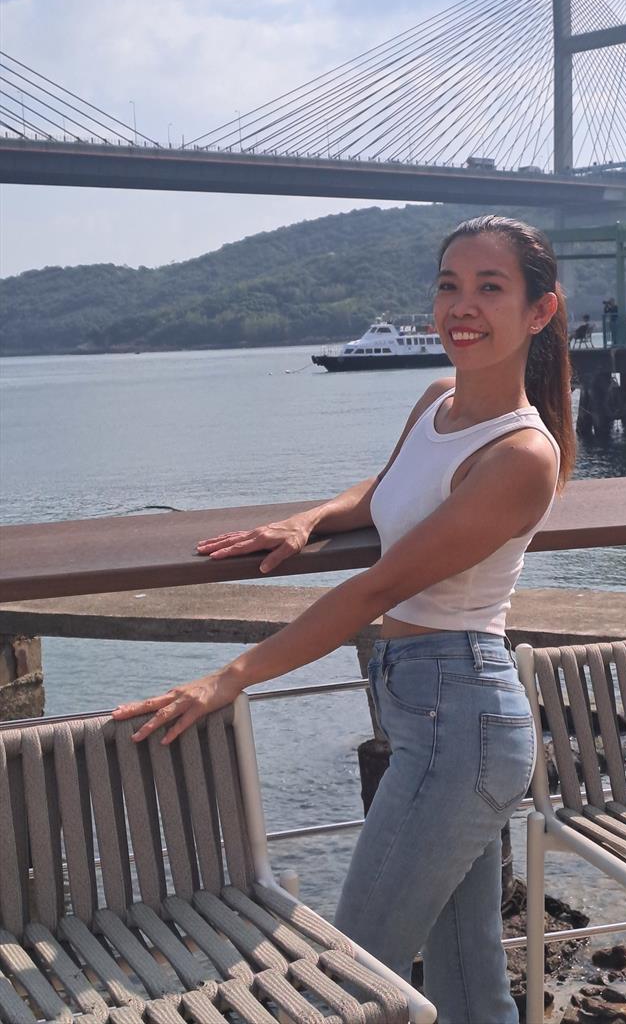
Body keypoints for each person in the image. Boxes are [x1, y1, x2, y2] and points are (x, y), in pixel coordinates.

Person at [112, 215, 576, 1024]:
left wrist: (230, 678)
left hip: (461, 718)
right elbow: (387, 486)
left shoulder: (520, 456)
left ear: (539, 311)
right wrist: (310, 519)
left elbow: (373, 591)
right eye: (448, 286)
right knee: (470, 989)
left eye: (489, 288)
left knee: (348, 978)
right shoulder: (437, 402)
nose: (461, 307)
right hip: (433, 712)